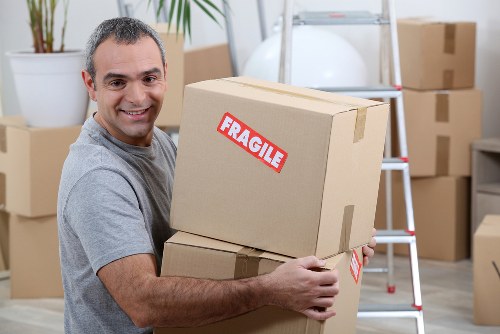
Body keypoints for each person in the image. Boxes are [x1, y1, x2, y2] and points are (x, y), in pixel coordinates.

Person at [57, 17, 377, 334]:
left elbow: (221, 221)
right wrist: (269, 289)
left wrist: (337, 241)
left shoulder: (161, 142)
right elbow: (144, 303)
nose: (138, 97)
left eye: (149, 78)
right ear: (90, 85)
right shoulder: (97, 178)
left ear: (166, 76)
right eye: (117, 82)